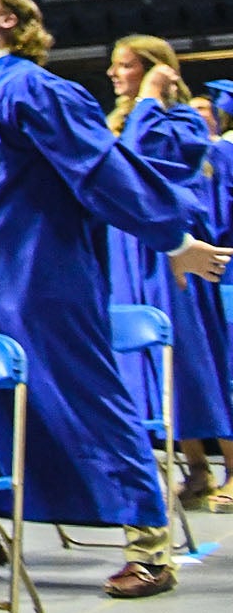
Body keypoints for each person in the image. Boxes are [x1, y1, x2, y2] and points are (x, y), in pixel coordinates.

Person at [0, 0, 222, 598]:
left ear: (11, 21)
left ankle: (151, 546)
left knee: (89, 398)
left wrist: (173, 239)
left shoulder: (34, 88)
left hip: (41, 273)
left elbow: (99, 168)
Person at [105, 35, 233, 500]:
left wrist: (152, 98)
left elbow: (143, 162)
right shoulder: (119, 120)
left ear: (154, 70)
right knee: (154, 361)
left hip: (173, 246)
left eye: (124, 66)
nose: (114, 74)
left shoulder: (181, 121)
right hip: (129, 247)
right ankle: (195, 466)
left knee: (192, 353)